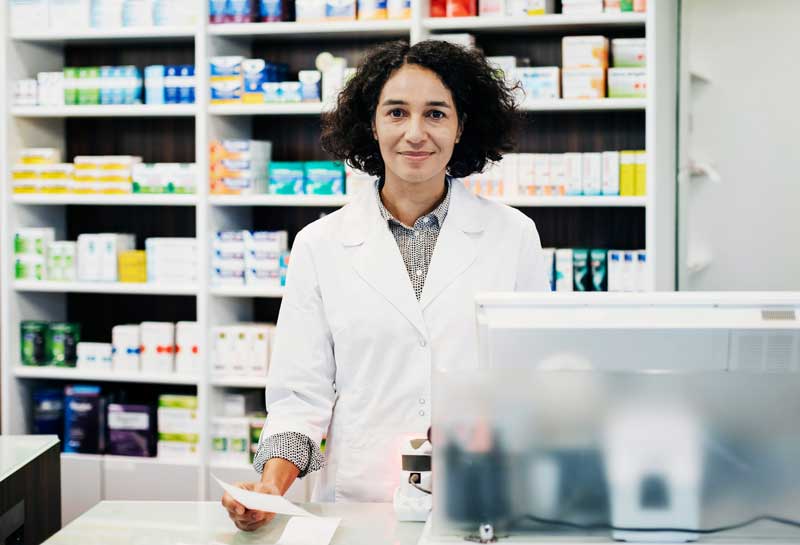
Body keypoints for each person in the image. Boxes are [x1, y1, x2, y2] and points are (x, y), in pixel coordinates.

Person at [222, 39, 549, 531]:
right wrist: (273, 486)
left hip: (479, 501)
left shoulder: (513, 235)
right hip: (358, 502)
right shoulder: (320, 244)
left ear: (463, 127)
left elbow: (529, 382)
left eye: (436, 114)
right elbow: (299, 399)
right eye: (397, 112)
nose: (415, 133)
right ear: (371, 124)